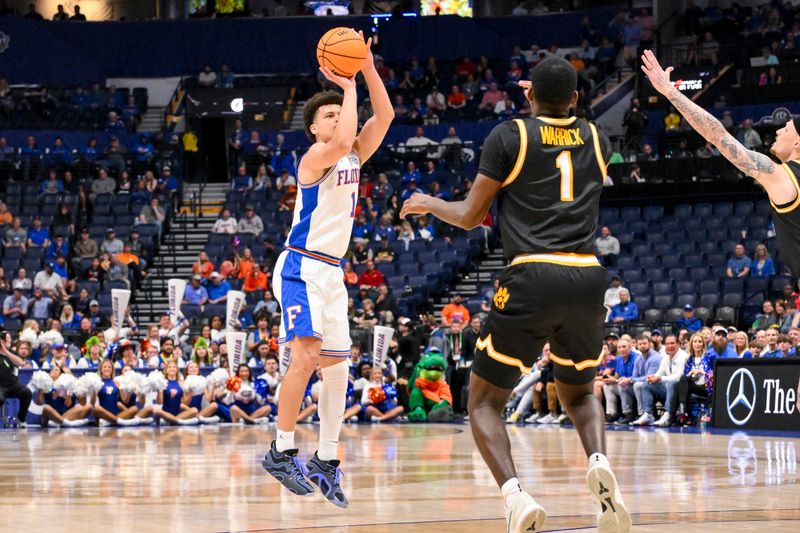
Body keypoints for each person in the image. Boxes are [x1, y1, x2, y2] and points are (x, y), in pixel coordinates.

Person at [399, 57, 630, 533]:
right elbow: (562, 121)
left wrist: (427, 202)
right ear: (577, 99)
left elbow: (467, 215)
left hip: (531, 274)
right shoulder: (597, 137)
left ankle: (515, 497)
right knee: (580, 393)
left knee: (483, 402)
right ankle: (600, 462)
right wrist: (550, 99)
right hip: (589, 277)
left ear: (528, 96)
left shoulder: (509, 136)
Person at [262, 32, 394, 508]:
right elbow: (344, 140)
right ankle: (280, 449)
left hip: (332, 273)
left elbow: (387, 117)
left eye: (340, 112)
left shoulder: (354, 153)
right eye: (329, 114)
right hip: (300, 267)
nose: (339, 119)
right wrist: (348, 84)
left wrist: (368, 68)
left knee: (338, 371)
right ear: (314, 130)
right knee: (306, 355)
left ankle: (326, 458)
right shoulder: (315, 158)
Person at [642, 49, 800, 280]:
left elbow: (718, 135)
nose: (777, 131)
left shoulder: (783, 176)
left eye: (785, 129)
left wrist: (669, 92)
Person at [0, 330, 33, 428]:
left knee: (27, 392)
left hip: (12, 385)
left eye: (9, 338)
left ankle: (21, 418)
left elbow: (21, 363)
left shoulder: (11, 353)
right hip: (0, 387)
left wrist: (5, 351)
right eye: (6, 338)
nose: (9, 340)